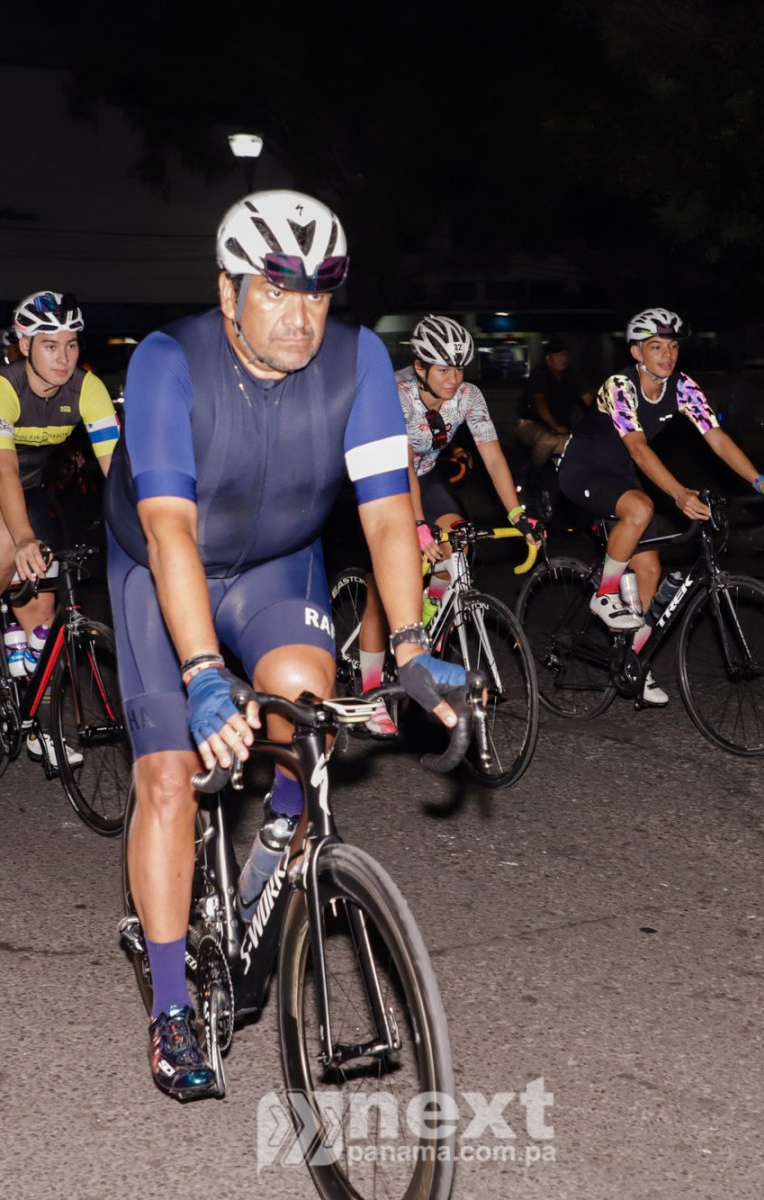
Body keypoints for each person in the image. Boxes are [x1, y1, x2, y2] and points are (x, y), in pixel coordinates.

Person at [104, 190, 469, 1101]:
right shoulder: (167, 361)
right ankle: (171, 1003)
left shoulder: (359, 359)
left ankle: (277, 833)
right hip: (161, 568)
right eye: (276, 290)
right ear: (228, 291)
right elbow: (170, 530)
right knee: (168, 778)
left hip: (276, 566)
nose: (300, 316)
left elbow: (387, 516)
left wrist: (412, 645)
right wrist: (201, 673)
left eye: (317, 293)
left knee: (310, 707)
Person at [554, 307, 764, 704]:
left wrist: (761, 481)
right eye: (655, 346)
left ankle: (630, 662)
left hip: (622, 477)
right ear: (636, 352)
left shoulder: (682, 387)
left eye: (673, 346)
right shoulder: (620, 385)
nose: (667, 355)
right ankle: (604, 593)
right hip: (583, 470)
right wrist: (680, 493)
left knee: (650, 570)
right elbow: (638, 448)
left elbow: (716, 438)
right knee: (642, 507)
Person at [350, 314, 543, 736]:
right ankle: (370, 697)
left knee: (458, 536)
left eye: (459, 369)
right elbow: (401, 465)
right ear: (419, 366)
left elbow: (493, 457)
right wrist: (418, 525)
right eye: (443, 370)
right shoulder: (397, 393)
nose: (454, 379)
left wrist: (517, 514)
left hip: (427, 478)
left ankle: (427, 608)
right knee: (380, 592)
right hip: (381, 478)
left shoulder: (468, 396)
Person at [0, 291, 118, 716]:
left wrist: (152, 526)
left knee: (44, 614)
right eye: (50, 345)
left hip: (29, 487)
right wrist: (22, 539)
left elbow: (117, 467)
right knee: (5, 546)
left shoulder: (88, 388)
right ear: (24, 344)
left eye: (71, 344)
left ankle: (37, 721)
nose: (63, 358)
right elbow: (2, 471)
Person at [516, 336, 588, 466]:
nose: (563, 359)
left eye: (565, 355)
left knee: (581, 446)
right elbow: (540, 402)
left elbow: (589, 399)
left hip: (560, 427)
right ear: (548, 358)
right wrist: (555, 426)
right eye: (559, 355)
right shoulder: (539, 374)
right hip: (530, 423)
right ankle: (533, 470)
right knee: (548, 441)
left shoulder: (573, 375)